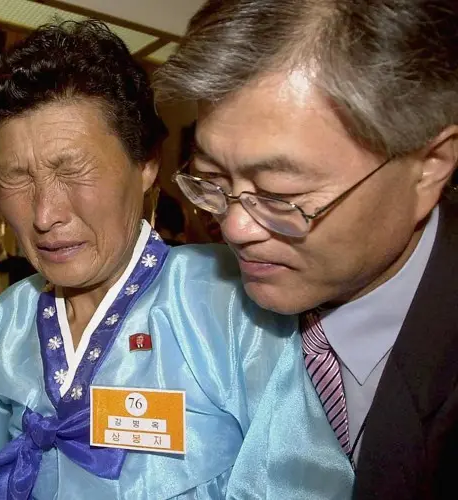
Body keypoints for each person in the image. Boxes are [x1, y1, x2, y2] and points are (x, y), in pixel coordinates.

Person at [0, 21, 353, 499]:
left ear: (146, 165)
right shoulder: (6, 326)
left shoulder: (231, 305)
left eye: (73, 170)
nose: (45, 214)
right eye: (16, 177)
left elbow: (298, 480)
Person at [155, 1, 458, 498]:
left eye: (279, 194)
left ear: (429, 166)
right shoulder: (186, 304)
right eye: (211, 179)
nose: (234, 227)